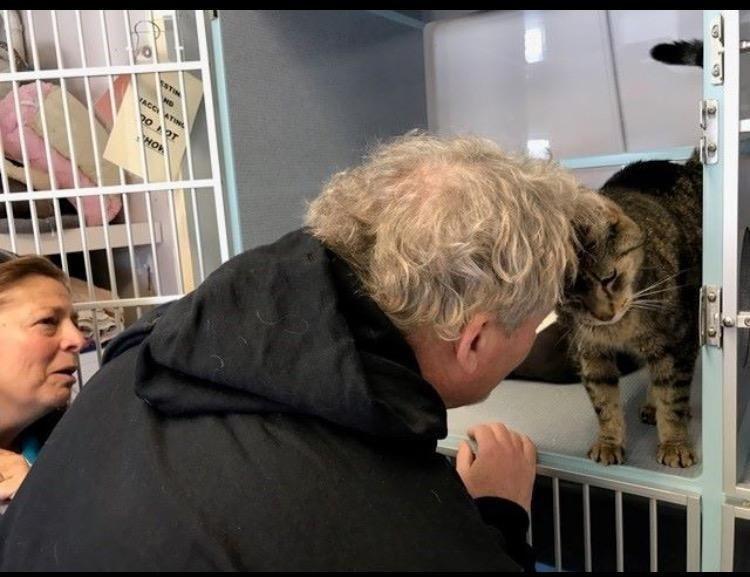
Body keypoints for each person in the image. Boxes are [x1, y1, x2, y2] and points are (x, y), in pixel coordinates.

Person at [0, 133, 601, 571]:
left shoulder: (156, 342)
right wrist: (498, 518)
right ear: (475, 340)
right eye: (537, 320)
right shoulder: (400, 526)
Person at [0, 249, 86, 512]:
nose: (79, 340)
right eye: (48, 321)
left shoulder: (78, 450)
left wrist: (36, 495)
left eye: (76, 323)